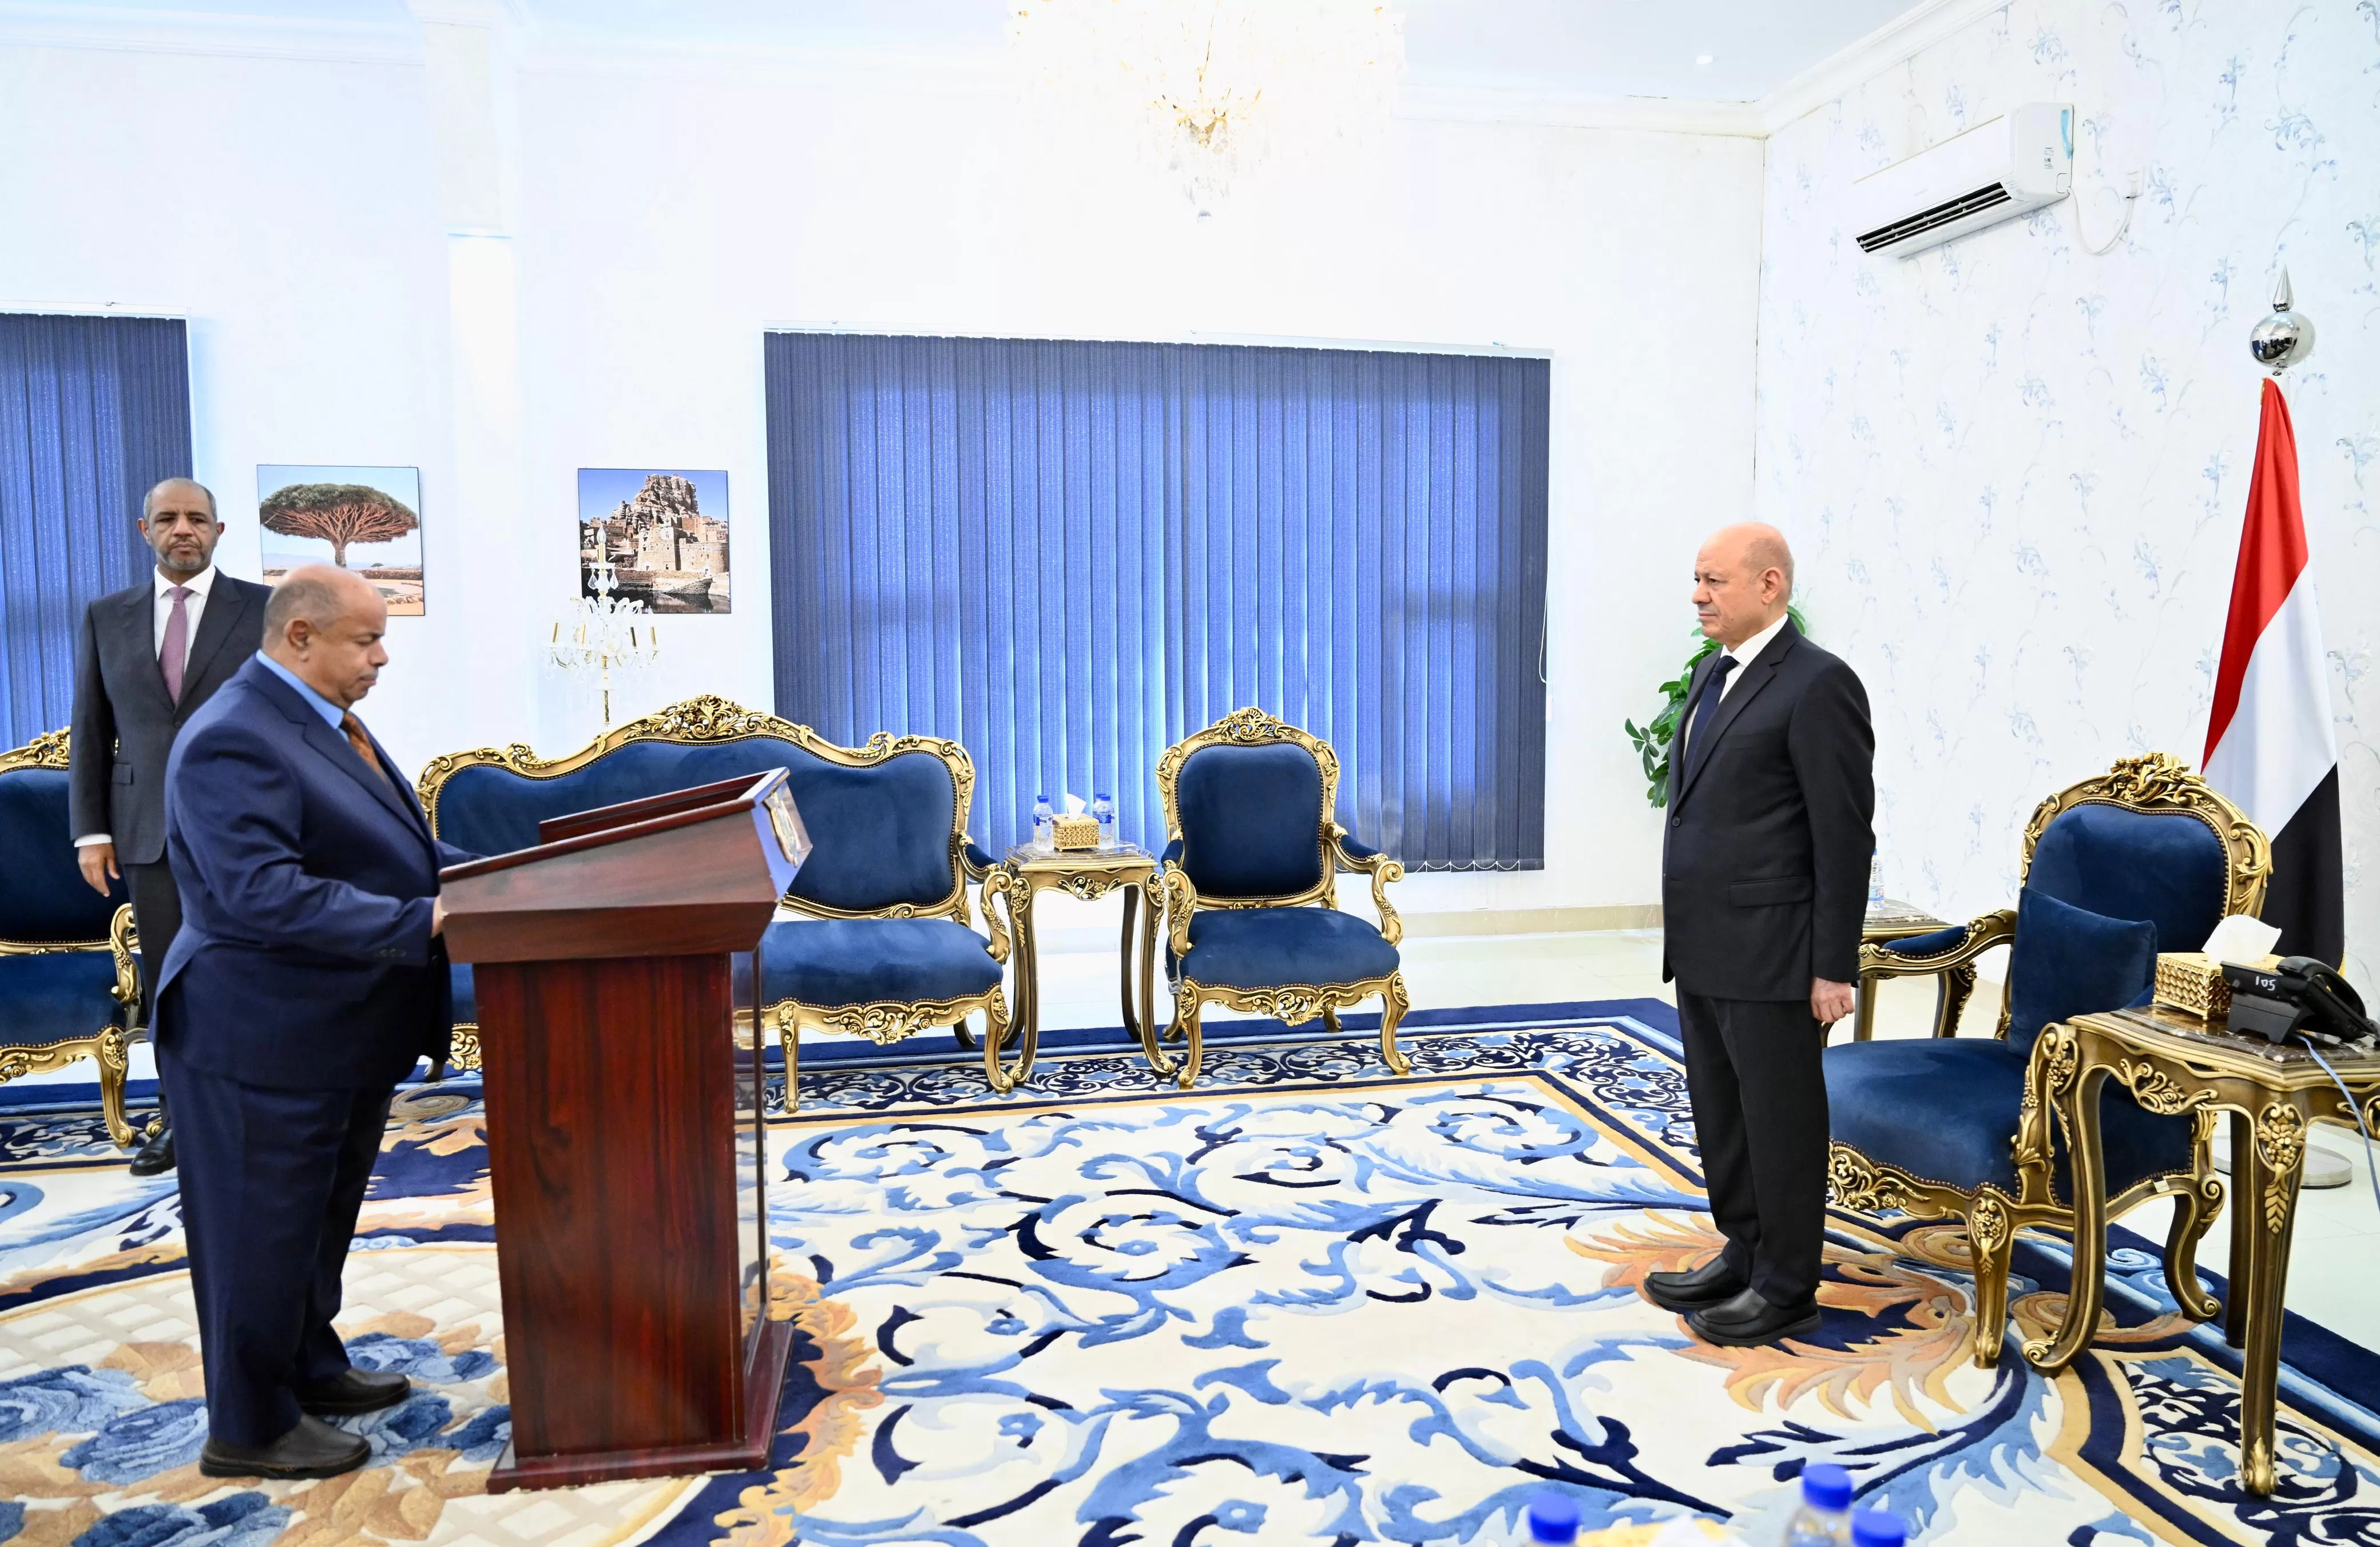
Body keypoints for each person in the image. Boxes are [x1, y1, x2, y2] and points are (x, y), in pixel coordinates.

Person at [155, 563, 475, 1479]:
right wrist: (420, 922)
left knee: (315, 1222)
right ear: (301, 636)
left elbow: (392, 851)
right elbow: (259, 895)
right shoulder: (233, 738)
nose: (383, 657)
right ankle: (250, 1425)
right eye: (366, 640)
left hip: (337, 1027)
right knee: (259, 1233)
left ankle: (307, 1366)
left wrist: (492, 877)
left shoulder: (319, 718)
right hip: (258, 1033)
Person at [1643, 523, 1874, 1348]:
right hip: (1707, 945)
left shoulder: (1819, 686)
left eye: (1714, 581)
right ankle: (1745, 1249)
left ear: (1770, 586)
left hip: (1776, 953)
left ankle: (1788, 1285)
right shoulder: (1714, 673)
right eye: (1697, 579)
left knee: (1780, 1123)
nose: (1698, 595)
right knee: (1724, 1115)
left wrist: (1832, 966)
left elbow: (1844, 836)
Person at [69, 478, 272, 1177]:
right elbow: (91, 732)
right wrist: (90, 831)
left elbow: (293, 717)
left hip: (249, 830)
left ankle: (257, 1112)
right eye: (167, 518)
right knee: (171, 985)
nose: (182, 528)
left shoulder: (266, 609)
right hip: (146, 833)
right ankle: (183, 1122)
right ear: (144, 529)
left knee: (251, 975)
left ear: (219, 530)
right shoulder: (106, 616)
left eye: (196, 518)